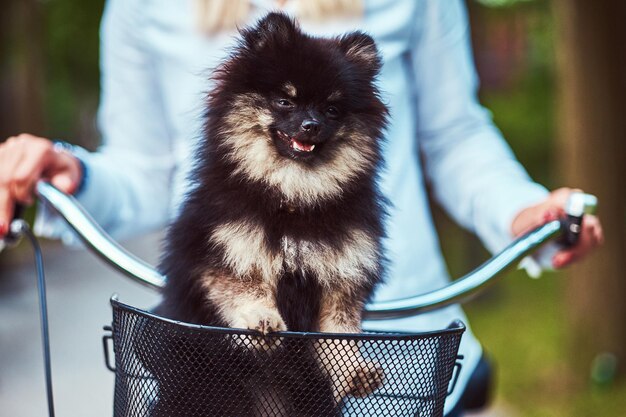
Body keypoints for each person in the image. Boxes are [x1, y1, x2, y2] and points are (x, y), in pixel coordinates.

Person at [0, 0, 603, 415]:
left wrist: (522, 212)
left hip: (400, 343)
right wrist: (68, 174)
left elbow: (456, 137)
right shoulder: (142, 7)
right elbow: (144, 168)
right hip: (218, 362)